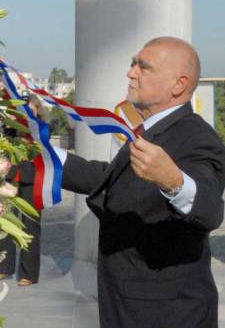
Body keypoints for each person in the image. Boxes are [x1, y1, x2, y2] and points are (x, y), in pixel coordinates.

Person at [59, 36, 225, 328]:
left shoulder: (197, 137)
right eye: (132, 64)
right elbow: (108, 178)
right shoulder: (151, 129)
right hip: (130, 303)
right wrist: (41, 158)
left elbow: (209, 209)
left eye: (143, 67)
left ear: (178, 84)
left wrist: (173, 180)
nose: (131, 73)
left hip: (167, 314)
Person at [0, 94, 50, 286]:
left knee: (31, 225)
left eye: (31, 112)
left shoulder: (42, 129)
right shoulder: (9, 129)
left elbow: (42, 151)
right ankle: (2, 268)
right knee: (4, 221)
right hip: (9, 178)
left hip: (32, 179)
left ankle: (29, 273)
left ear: (37, 111)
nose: (26, 116)